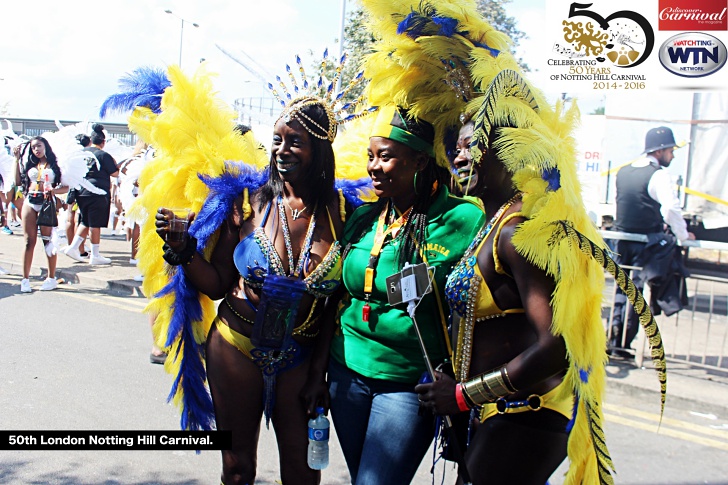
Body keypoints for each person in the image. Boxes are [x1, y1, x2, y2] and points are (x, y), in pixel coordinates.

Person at [155, 96, 346, 485]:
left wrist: (318, 373)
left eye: (295, 141)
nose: (281, 150)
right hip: (235, 347)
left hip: (300, 355)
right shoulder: (247, 199)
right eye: (276, 140)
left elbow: (334, 306)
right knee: (237, 469)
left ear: (319, 148)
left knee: (303, 475)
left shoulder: (341, 210)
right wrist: (184, 251)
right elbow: (219, 283)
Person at [307, 105, 484, 485]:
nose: (373, 167)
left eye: (385, 157)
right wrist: (318, 373)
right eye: (370, 156)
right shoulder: (364, 218)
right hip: (346, 373)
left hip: (409, 383)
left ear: (420, 160)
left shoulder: (463, 220)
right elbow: (334, 301)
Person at [609, 126, 695, 355]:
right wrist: (684, 236)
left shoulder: (624, 172)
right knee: (635, 294)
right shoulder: (658, 175)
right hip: (643, 245)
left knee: (622, 291)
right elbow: (671, 210)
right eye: (670, 151)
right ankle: (621, 343)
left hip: (622, 241)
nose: (673, 156)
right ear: (659, 152)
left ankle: (614, 337)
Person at [14, 137, 65, 292]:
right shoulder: (30, 164)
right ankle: (25, 280)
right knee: (29, 241)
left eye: (39, 146)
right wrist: (16, 160)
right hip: (30, 201)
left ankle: (51, 278)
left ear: (46, 146)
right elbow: (17, 181)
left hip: (47, 203)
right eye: (33, 147)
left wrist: (53, 191)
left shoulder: (57, 165)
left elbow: (66, 187)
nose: (36, 150)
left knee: (48, 242)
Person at [63, 123, 119, 265]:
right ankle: (95, 255)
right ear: (103, 142)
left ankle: (73, 247)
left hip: (81, 191)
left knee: (85, 221)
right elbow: (115, 173)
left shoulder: (81, 152)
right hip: (97, 191)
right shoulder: (103, 155)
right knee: (95, 223)